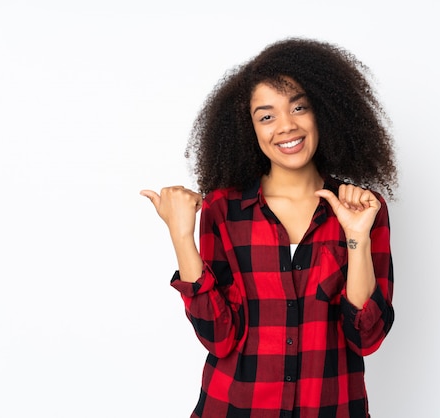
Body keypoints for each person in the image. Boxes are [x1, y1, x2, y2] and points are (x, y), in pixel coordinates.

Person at [141, 37, 398, 418]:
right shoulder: (223, 210)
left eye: (299, 107)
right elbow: (218, 336)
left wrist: (356, 235)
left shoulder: (363, 208)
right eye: (266, 116)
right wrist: (182, 237)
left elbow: (365, 337)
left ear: (323, 112)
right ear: (248, 129)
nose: (286, 126)